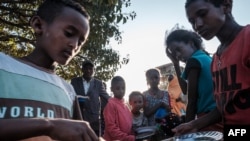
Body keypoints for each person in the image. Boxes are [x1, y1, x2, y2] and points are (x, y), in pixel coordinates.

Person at [0, 0, 103, 141]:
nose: (74, 45)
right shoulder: (3, 66)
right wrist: (48, 126)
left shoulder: (68, 90)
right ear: (38, 25)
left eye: (80, 42)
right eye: (69, 33)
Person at [171, 0, 250, 135]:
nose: (198, 25)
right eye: (192, 21)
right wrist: (194, 124)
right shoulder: (215, 59)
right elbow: (223, 108)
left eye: (202, 14)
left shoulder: (247, 39)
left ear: (226, 5)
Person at [165, 28, 223, 132]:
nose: (177, 55)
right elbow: (185, 90)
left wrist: (186, 129)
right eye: (174, 53)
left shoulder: (193, 61)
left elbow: (192, 100)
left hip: (208, 118)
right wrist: (175, 63)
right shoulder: (206, 57)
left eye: (178, 49)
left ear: (191, 43)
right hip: (218, 114)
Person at [71, 60, 110, 136]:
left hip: (93, 121)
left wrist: (117, 103)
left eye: (90, 69)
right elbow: (70, 96)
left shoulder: (98, 83)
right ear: (82, 69)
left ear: (93, 70)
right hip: (77, 119)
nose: (88, 71)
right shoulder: (74, 81)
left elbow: (106, 97)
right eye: (86, 68)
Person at [103, 76, 135, 141]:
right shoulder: (111, 105)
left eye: (123, 88)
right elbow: (111, 128)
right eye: (118, 88)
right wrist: (128, 138)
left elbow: (130, 123)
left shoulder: (126, 104)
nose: (121, 91)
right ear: (111, 89)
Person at [142, 68, 172, 140]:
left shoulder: (166, 93)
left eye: (156, 77)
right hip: (151, 132)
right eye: (151, 78)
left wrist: (167, 108)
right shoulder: (145, 95)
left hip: (165, 129)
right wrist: (159, 104)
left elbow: (169, 110)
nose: (154, 80)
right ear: (147, 80)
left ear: (159, 78)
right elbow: (146, 113)